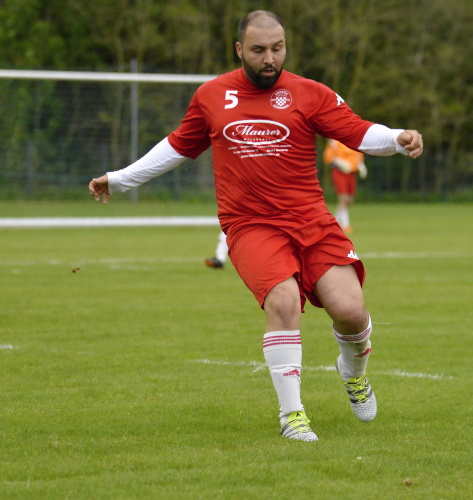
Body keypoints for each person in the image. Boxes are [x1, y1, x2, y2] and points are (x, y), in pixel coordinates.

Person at [88, 10, 423, 442]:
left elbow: (357, 132)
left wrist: (397, 138)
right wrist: (119, 178)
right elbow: (175, 147)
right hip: (250, 225)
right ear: (239, 50)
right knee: (282, 303)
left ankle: (352, 372)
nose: (270, 58)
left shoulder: (309, 93)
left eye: (277, 48)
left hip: (311, 220)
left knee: (351, 311)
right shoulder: (212, 96)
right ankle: (293, 416)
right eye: (260, 50)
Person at [323, 138, 367, 234]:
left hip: (351, 172)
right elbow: (328, 157)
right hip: (340, 171)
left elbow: (358, 155)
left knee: (350, 199)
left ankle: (335, 223)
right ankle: (346, 225)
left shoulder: (353, 139)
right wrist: (339, 162)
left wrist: (360, 164)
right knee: (344, 199)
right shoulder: (335, 141)